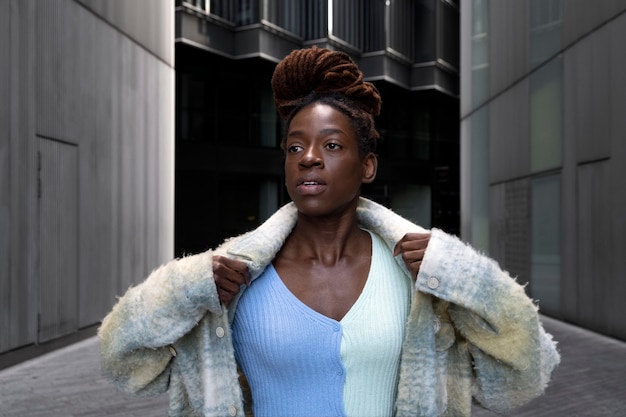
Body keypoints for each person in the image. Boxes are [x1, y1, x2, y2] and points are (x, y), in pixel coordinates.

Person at [99, 46, 560, 417]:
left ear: (368, 166)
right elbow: (124, 363)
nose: (309, 157)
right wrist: (184, 288)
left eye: (332, 145)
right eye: (295, 146)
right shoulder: (231, 277)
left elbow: (523, 378)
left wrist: (466, 275)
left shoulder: (424, 277)